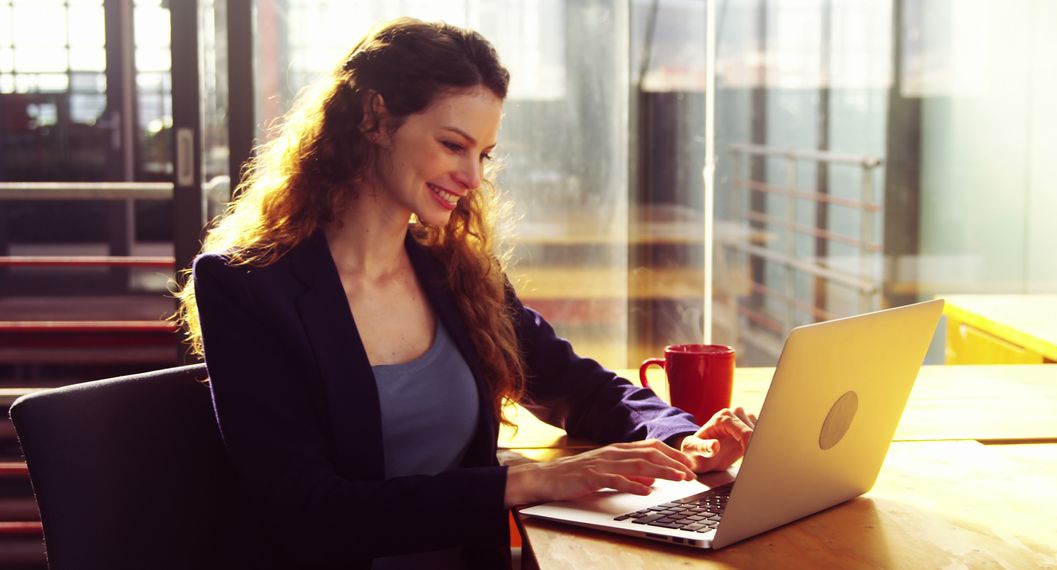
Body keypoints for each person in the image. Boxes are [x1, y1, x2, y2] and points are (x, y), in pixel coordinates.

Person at [173, 17, 756, 570]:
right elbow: (311, 513)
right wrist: (530, 481)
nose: (474, 177)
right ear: (376, 119)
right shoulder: (246, 285)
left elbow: (576, 385)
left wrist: (683, 436)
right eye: (454, 145)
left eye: (484, 154)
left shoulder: (452, 271)